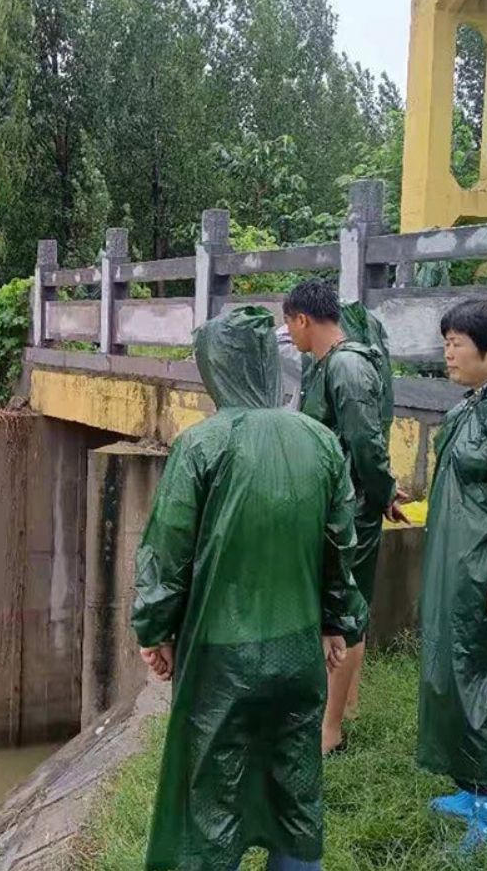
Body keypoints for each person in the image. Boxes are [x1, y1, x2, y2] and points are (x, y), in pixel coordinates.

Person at [133, 306, 368, 871]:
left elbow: (167, 554)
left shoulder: (204, 446)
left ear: (214, 369)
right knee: (295, 785)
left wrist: (155, 631)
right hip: (297, 651)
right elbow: (341, 547)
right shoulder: (320, 441)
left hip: (222, 657)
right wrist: (338, 622)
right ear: (268, 364)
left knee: (210, 796)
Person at [419, 298, 487, 851]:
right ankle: (475, 785)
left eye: (457, 342)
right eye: (446, 342)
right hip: (457, 571)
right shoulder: (474, 403)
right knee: (456, 677)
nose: (448, 352)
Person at [283, 280, 408, 753]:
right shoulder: (327, 365)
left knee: (345, 612)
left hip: (352, 512)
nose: (289, 334)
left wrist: (382, 494)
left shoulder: (348, 367)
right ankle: (344, 704)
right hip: (339, 508)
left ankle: (330, 730)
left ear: (302, 320)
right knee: (342, 609)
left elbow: (365, 445)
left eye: (289, 324)